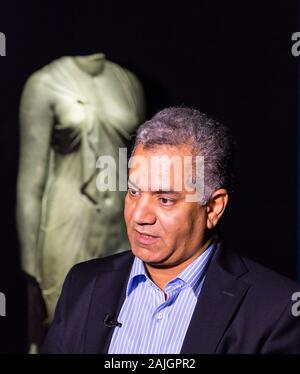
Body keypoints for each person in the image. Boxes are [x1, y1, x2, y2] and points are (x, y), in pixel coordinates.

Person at [41, 107, 300, 353]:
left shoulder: (275, 309)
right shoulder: (83, 283)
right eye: (134, 192)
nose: (139, 216)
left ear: (213, 208)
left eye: (165, 199)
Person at [17, 53, 145, 349]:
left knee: (118, 328)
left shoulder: (127, 82)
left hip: (120, 223)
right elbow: (30, 183)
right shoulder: (44, 83)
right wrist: (30, 268)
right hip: (67, 219)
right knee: (67, 328)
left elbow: (137, 164)